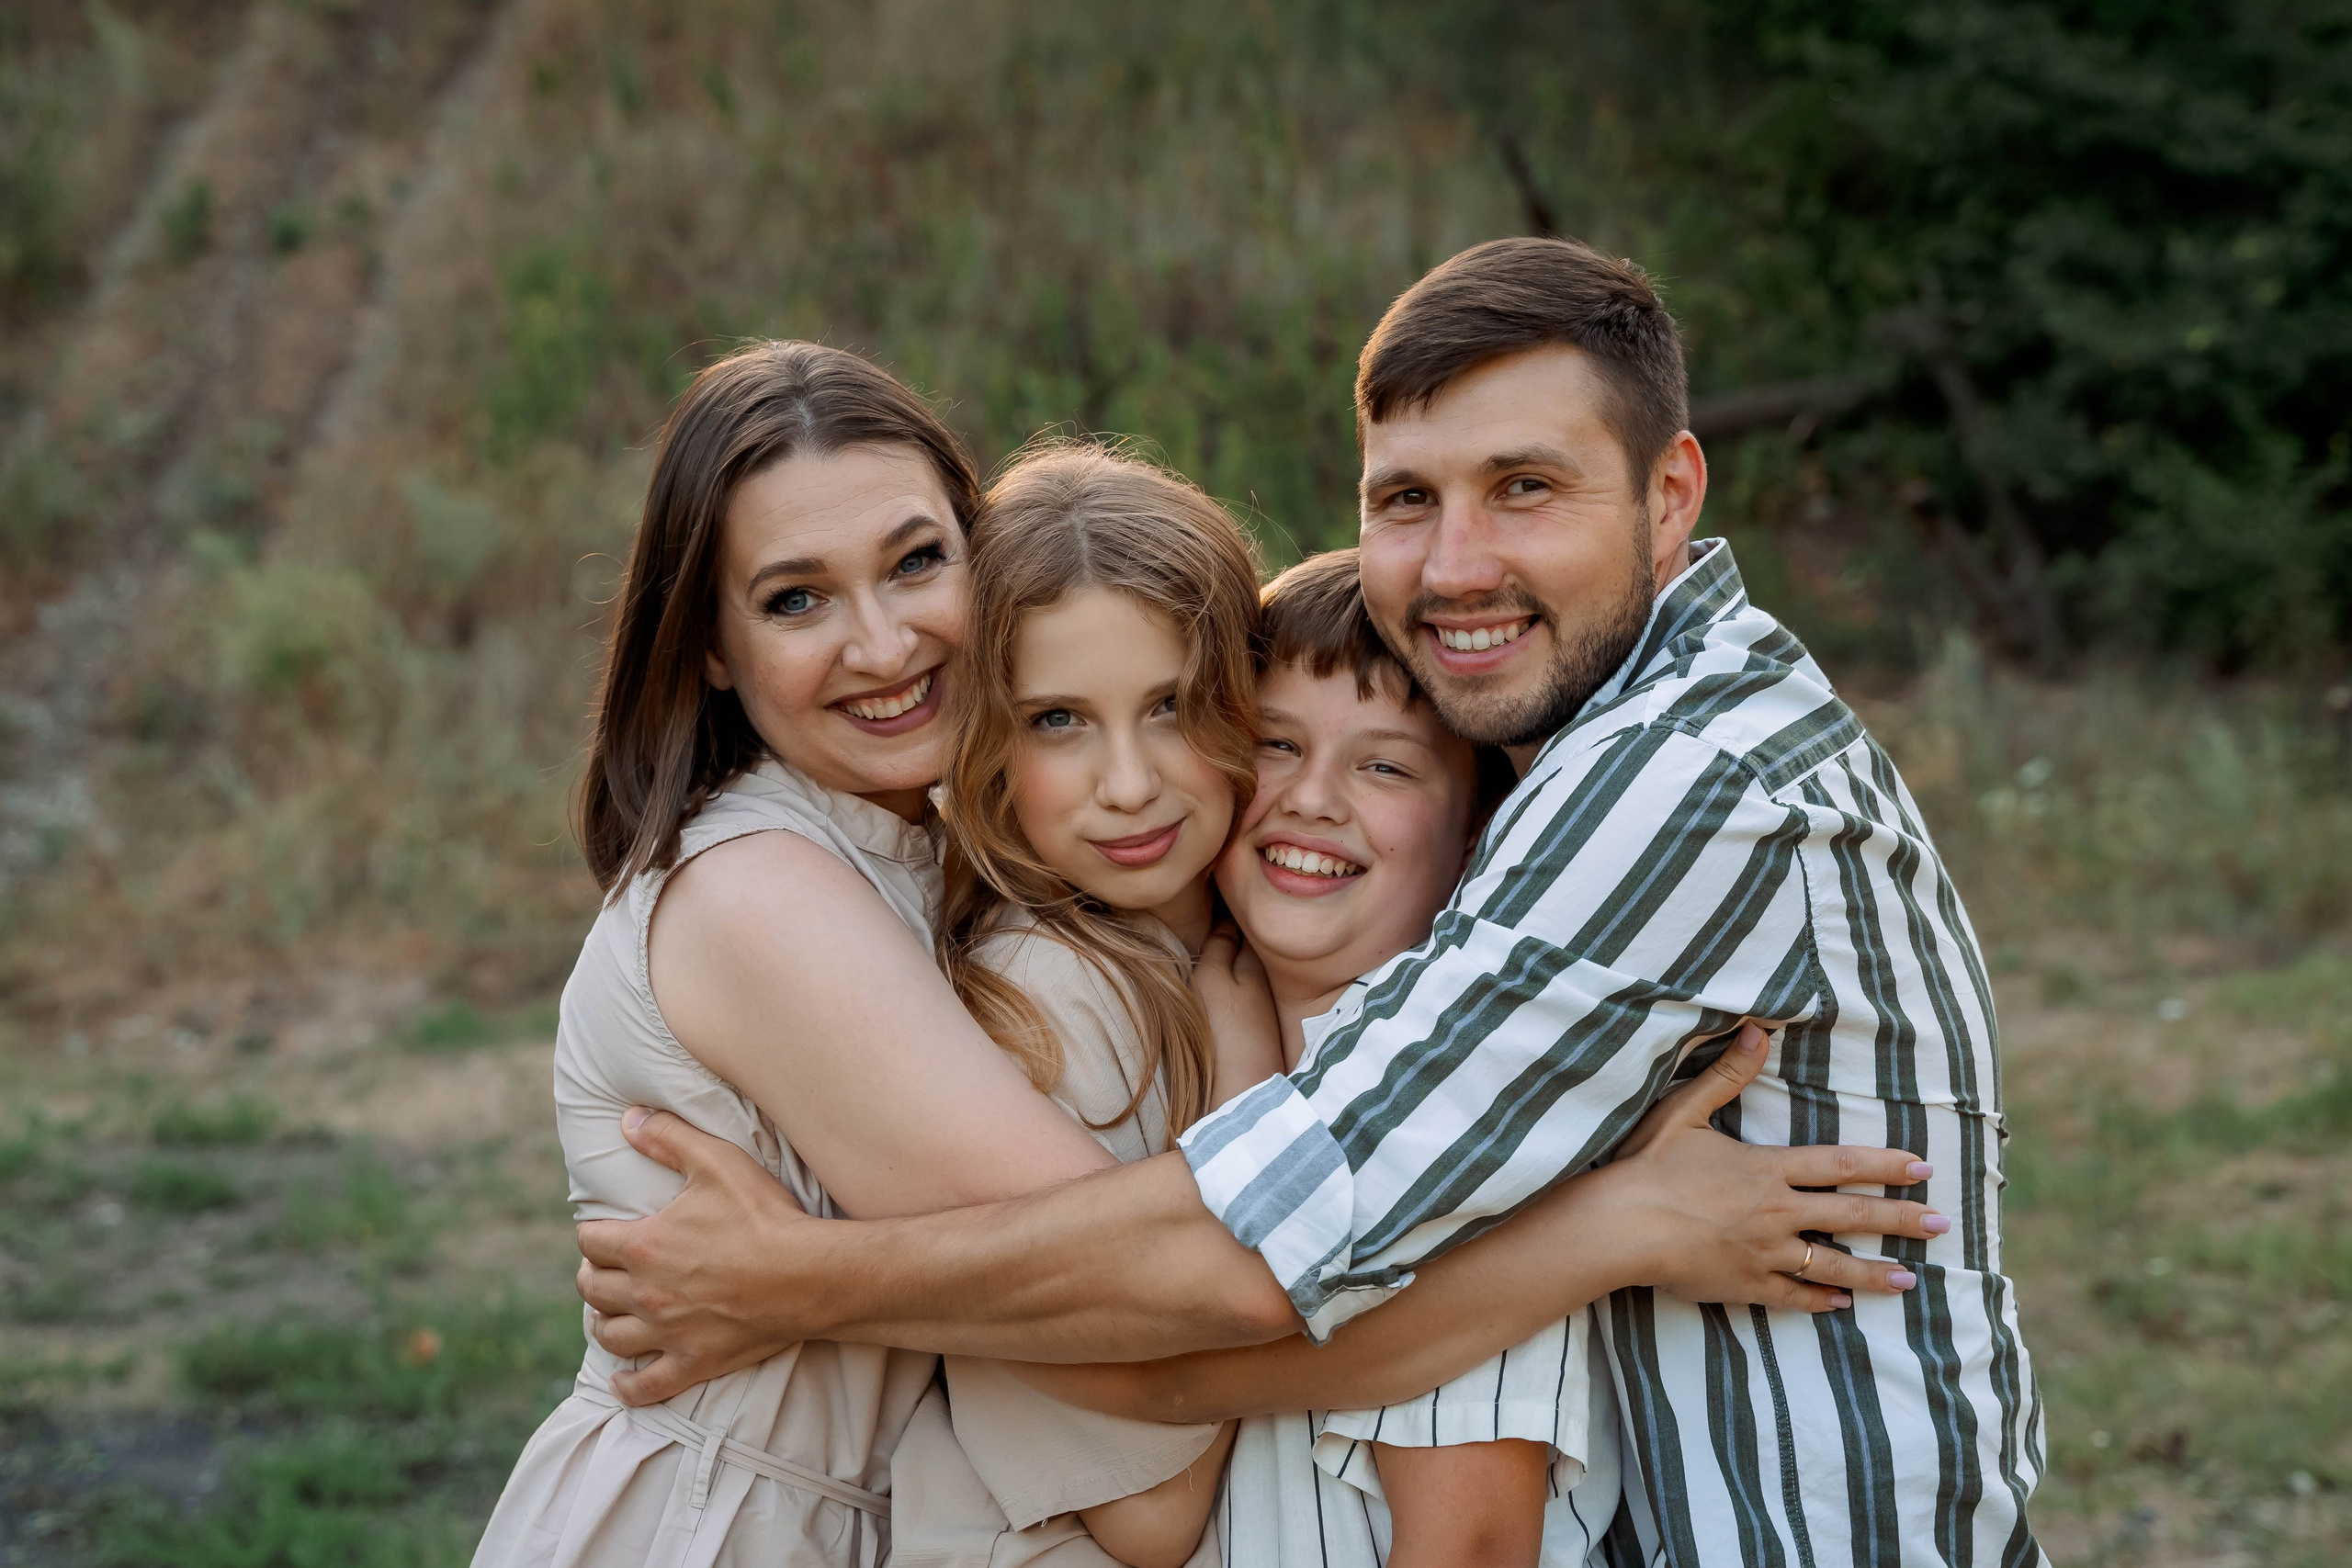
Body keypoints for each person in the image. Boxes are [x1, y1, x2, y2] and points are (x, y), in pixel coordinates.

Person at [578, 236, 2041, 1567]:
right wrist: (1616, 1224)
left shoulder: (1671, 786)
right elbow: (1189, 1304)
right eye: (1408, 499)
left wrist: (794, 1279)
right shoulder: (848, 895)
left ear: (1669, 496)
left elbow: (1217, 1278)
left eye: (1524, 485)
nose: (1457, 560)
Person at [891, 443, 1272, 1566]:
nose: (1129, 782)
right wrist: (1249, 1089)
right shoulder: (1041, 1006)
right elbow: (1148, 1517)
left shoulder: (1246, 951)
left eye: (1171, 706)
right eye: (1058, 719)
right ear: (988, 746)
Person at [1206, 547, 1618, 1567]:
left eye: (1383, 765)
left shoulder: (1454, 1114)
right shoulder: (1211, 1025)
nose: (1310, 799)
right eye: (1272, 745)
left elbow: (1469, 1543)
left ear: (1482, 837)